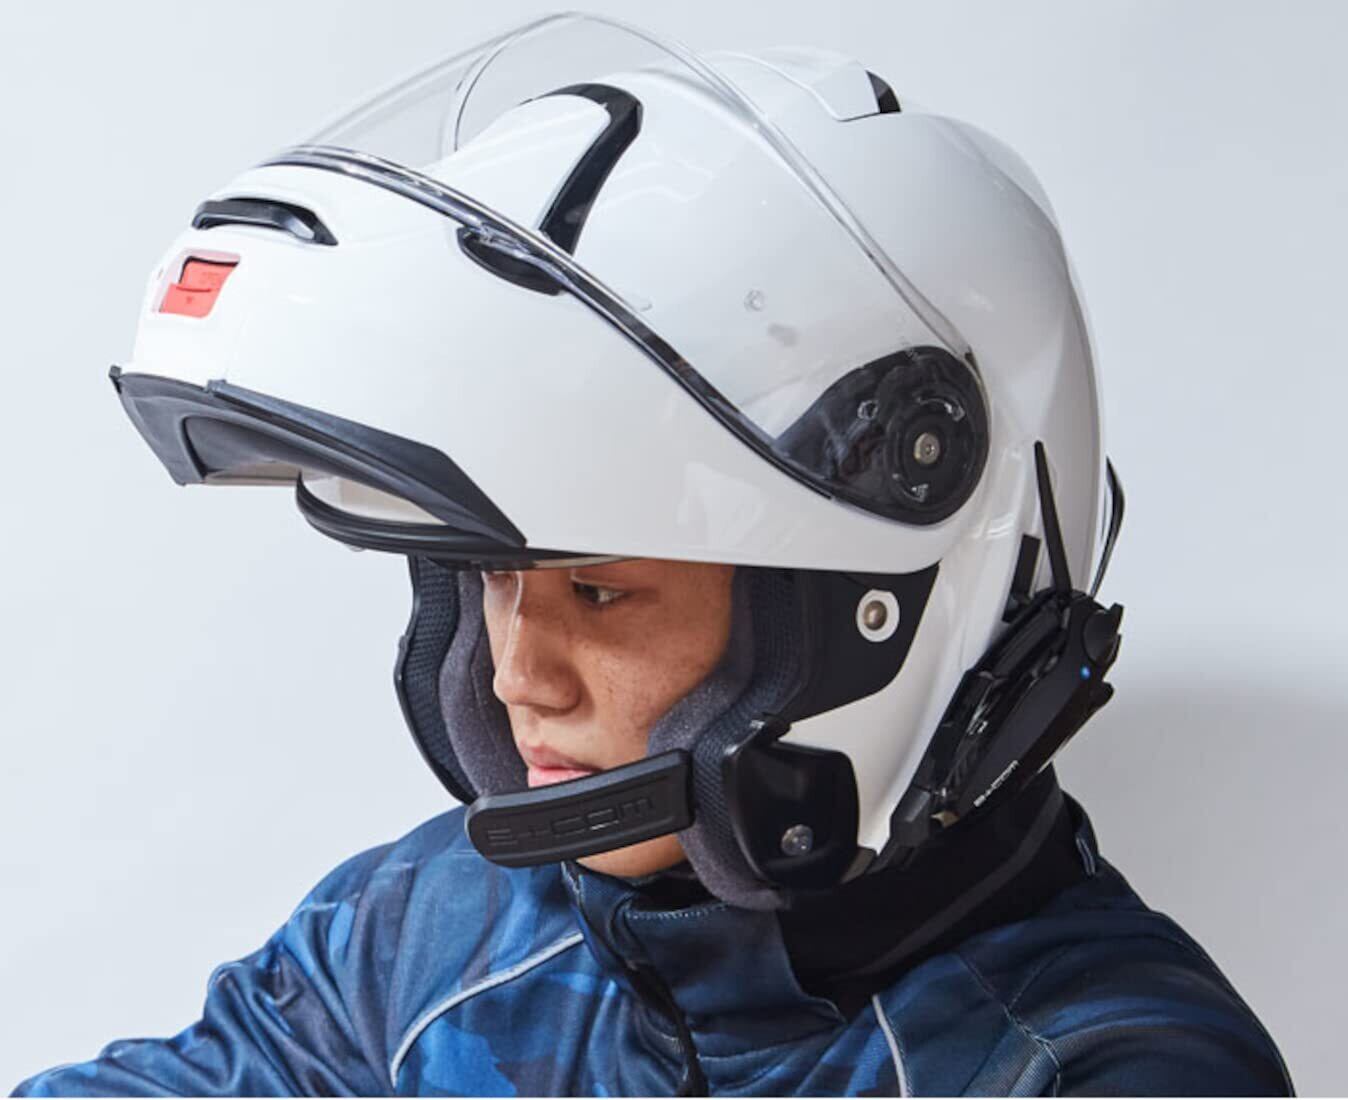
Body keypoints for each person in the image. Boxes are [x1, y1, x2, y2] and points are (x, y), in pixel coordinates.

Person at [14, 13, 1291, 1097]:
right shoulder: (431, 929)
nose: (515, 674)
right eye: (491, 580)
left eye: (599, 587)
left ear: (874, 613)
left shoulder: (1102, 1064)